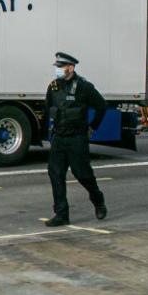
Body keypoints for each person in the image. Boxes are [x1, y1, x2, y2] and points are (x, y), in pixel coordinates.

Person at [45, 52, 108, 227]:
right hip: (59, 138)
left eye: (60, 67)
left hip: (77, 138)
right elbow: (47, 109)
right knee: (56, 175)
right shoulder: (53, 87)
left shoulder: (83, 87)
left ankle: (98, 200)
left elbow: (102, 106)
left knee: (83, 175)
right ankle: (61, 214)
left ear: (70, 68)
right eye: (56, 67)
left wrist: (92, 127)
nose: (57, 70)